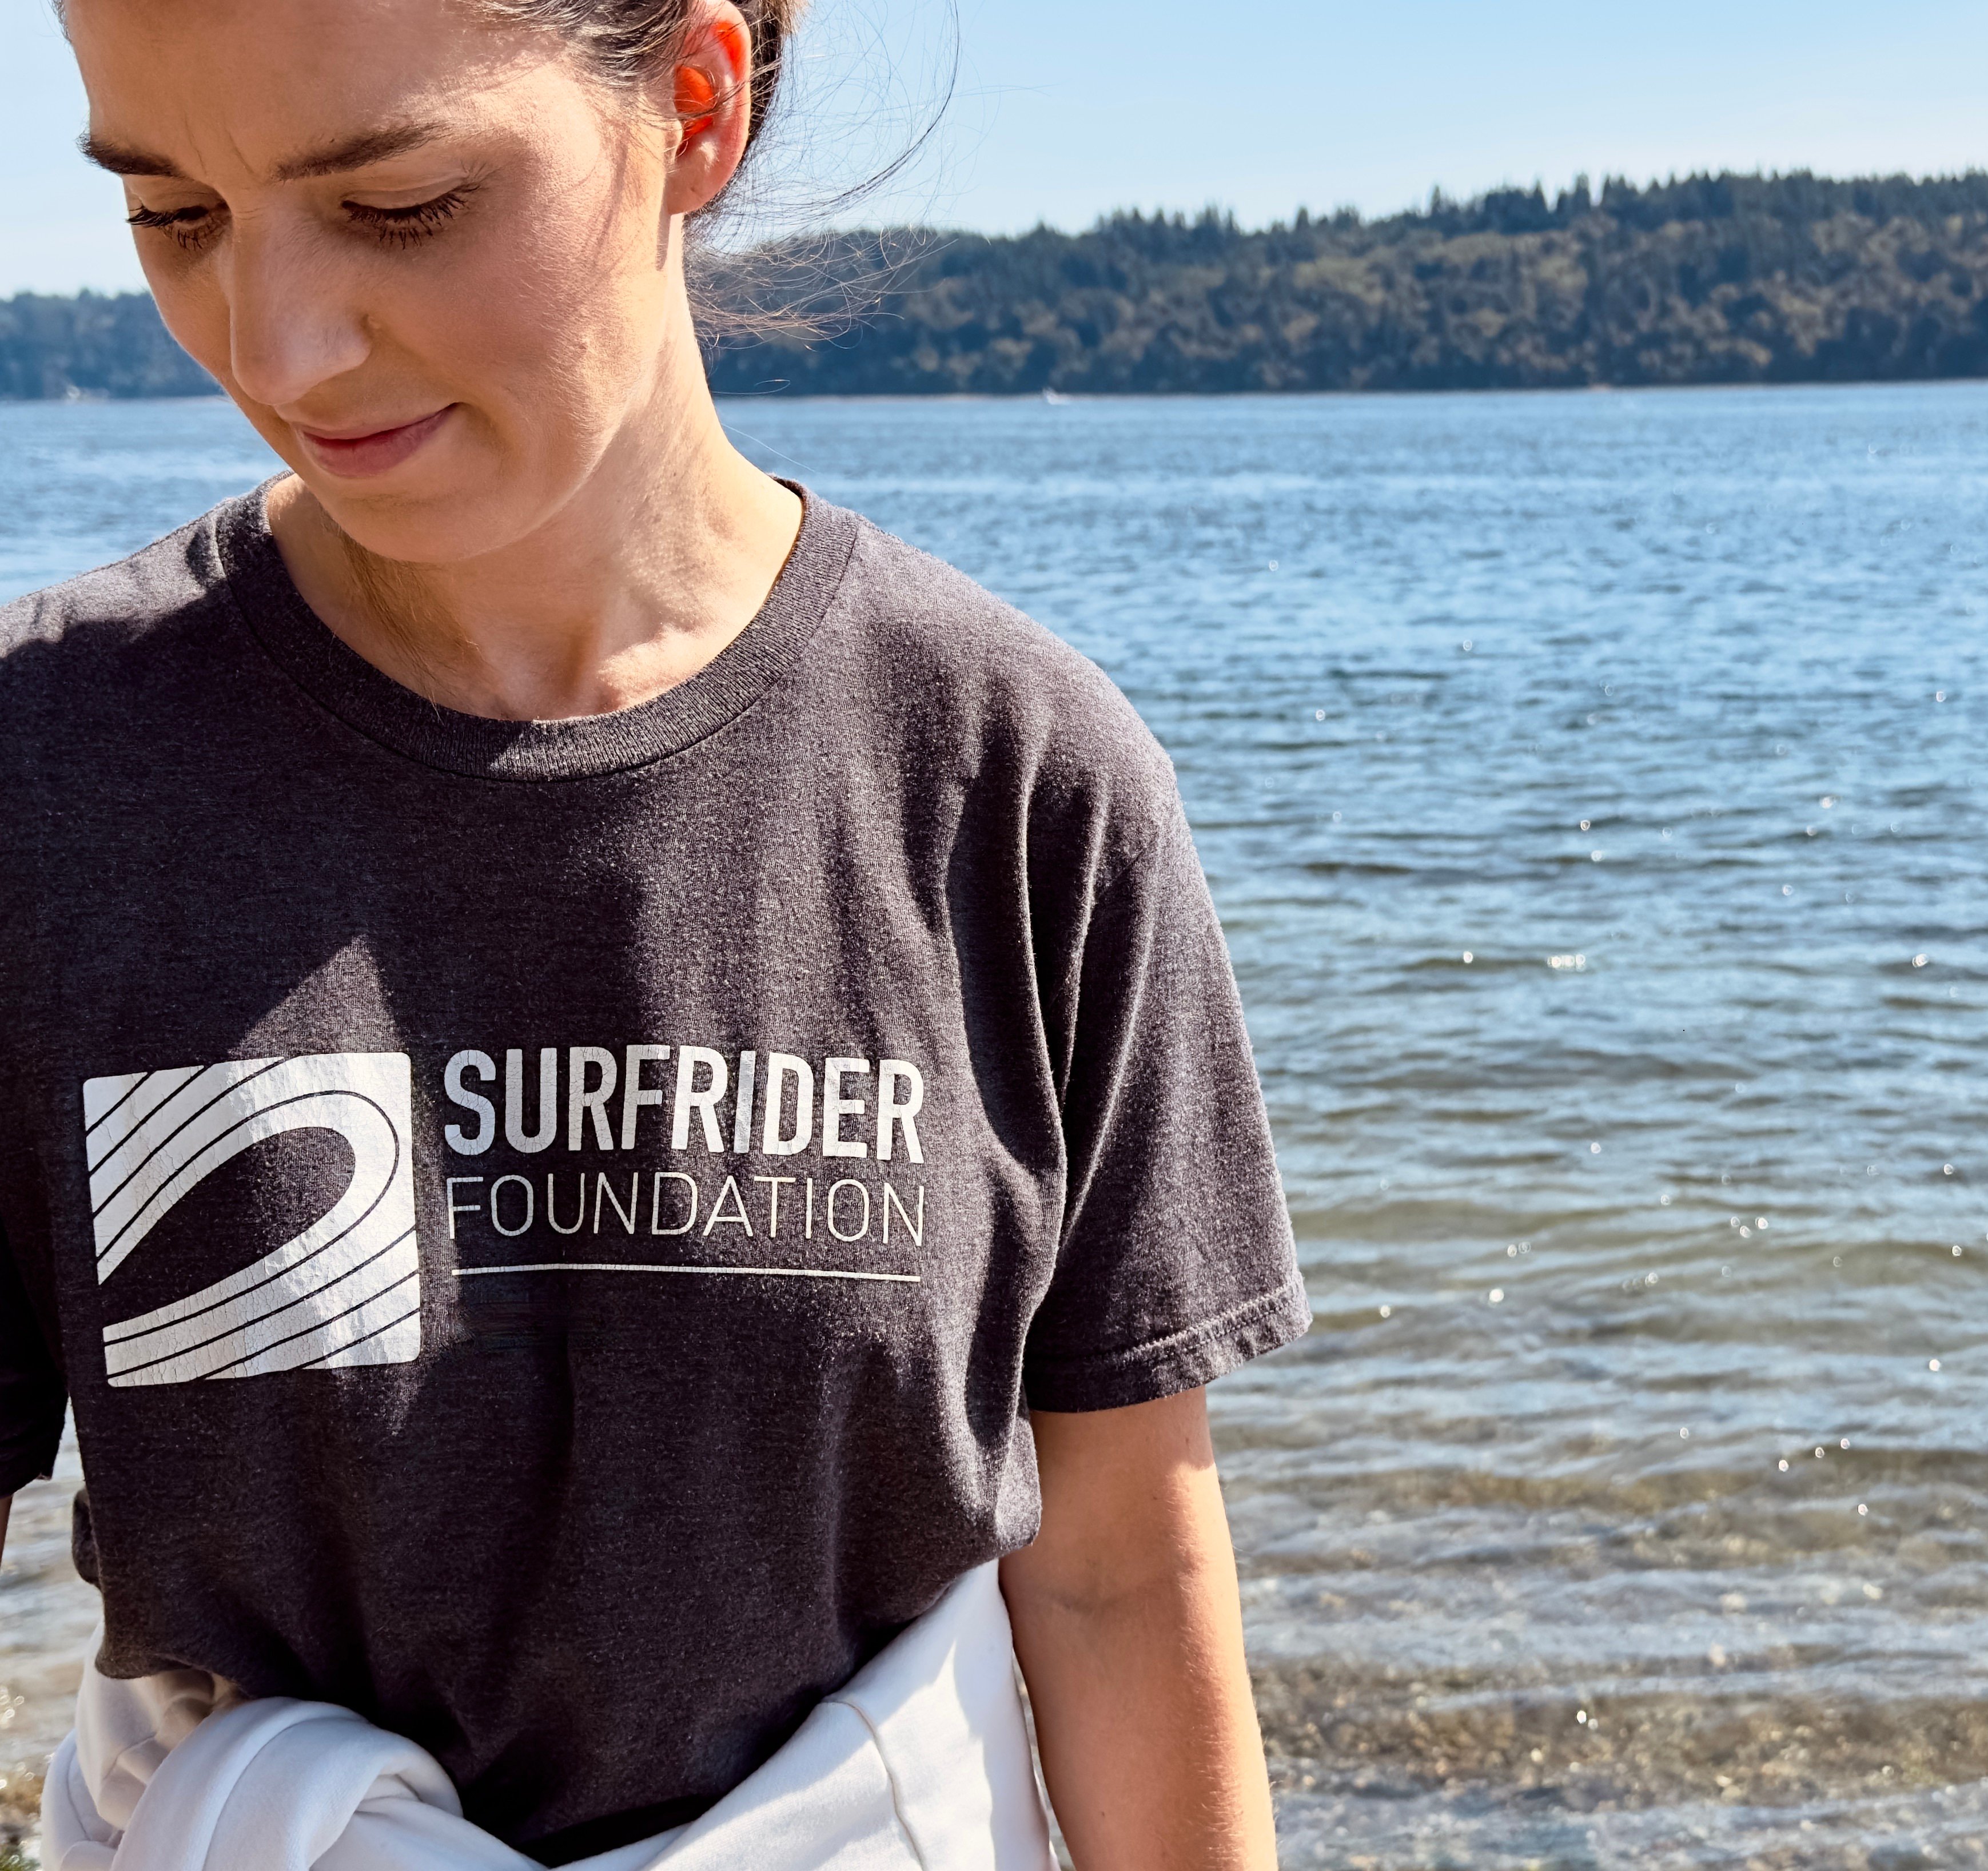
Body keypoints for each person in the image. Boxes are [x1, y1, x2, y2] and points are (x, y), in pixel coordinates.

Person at [0, 0, 1309, 1865]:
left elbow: (1112, 1581)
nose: (275, 344)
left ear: (693, 104)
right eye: (173, 212)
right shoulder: (41, 779)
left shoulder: (1016, 781)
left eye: (398, 203)